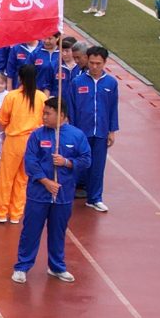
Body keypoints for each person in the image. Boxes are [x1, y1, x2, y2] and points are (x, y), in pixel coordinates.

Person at [13, 96, 90, 284]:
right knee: (31, 230)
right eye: (43, 113)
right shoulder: (37, 135)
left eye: (48, 114)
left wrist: (66, 162)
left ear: (61, 115)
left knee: (58, 231)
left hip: (63, 194)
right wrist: (46, 181)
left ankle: (57, 266)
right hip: (39, 193)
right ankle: (22, 266)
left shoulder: (76, 136)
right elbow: (30, 161)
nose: (44, 117)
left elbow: (86, 160)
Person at [70, 47, 120, 212]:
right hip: (81, 132)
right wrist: (72, 131)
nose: (94, 66)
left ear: (105, 63)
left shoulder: (111, 83)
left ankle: (95, 198)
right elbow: (71, 108)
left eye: (98, 63)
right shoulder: (77, 82)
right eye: (91, 63)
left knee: (98, 166)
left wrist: (112, 131)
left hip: (100, 132)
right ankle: (68, 193)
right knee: (77, 164)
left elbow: (113, 108)